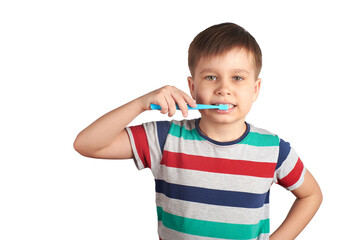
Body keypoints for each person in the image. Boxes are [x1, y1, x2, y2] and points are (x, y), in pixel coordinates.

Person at [74, 22, 322, 240]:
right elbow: (87, 144)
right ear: (192, 88)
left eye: (237, 78)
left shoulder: (273, 149)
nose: (224, 89)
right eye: (211, 77)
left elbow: (311, 196)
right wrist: (141, 103)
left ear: (255, 89)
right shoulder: (164, 139)